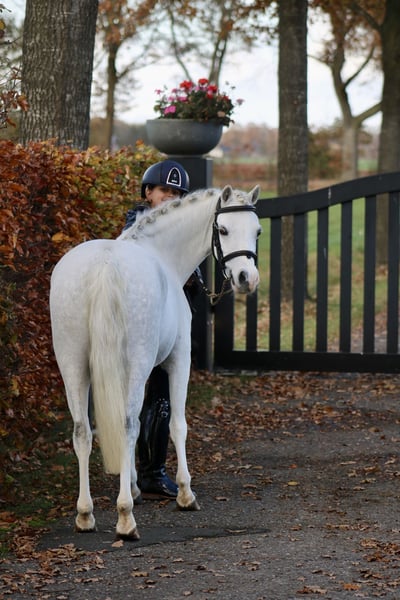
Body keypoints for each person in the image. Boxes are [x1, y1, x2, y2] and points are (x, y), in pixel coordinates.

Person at [124, 159, 198, 500]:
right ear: (148, 193)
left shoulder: (182, 234)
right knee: (139, 399)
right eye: (164, 190)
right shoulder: (136, 228)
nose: (170, 197)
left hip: (169, 327)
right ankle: (142, 472)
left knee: (161, 398)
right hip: (140, 325)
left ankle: (153, 471)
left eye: (177, 193)